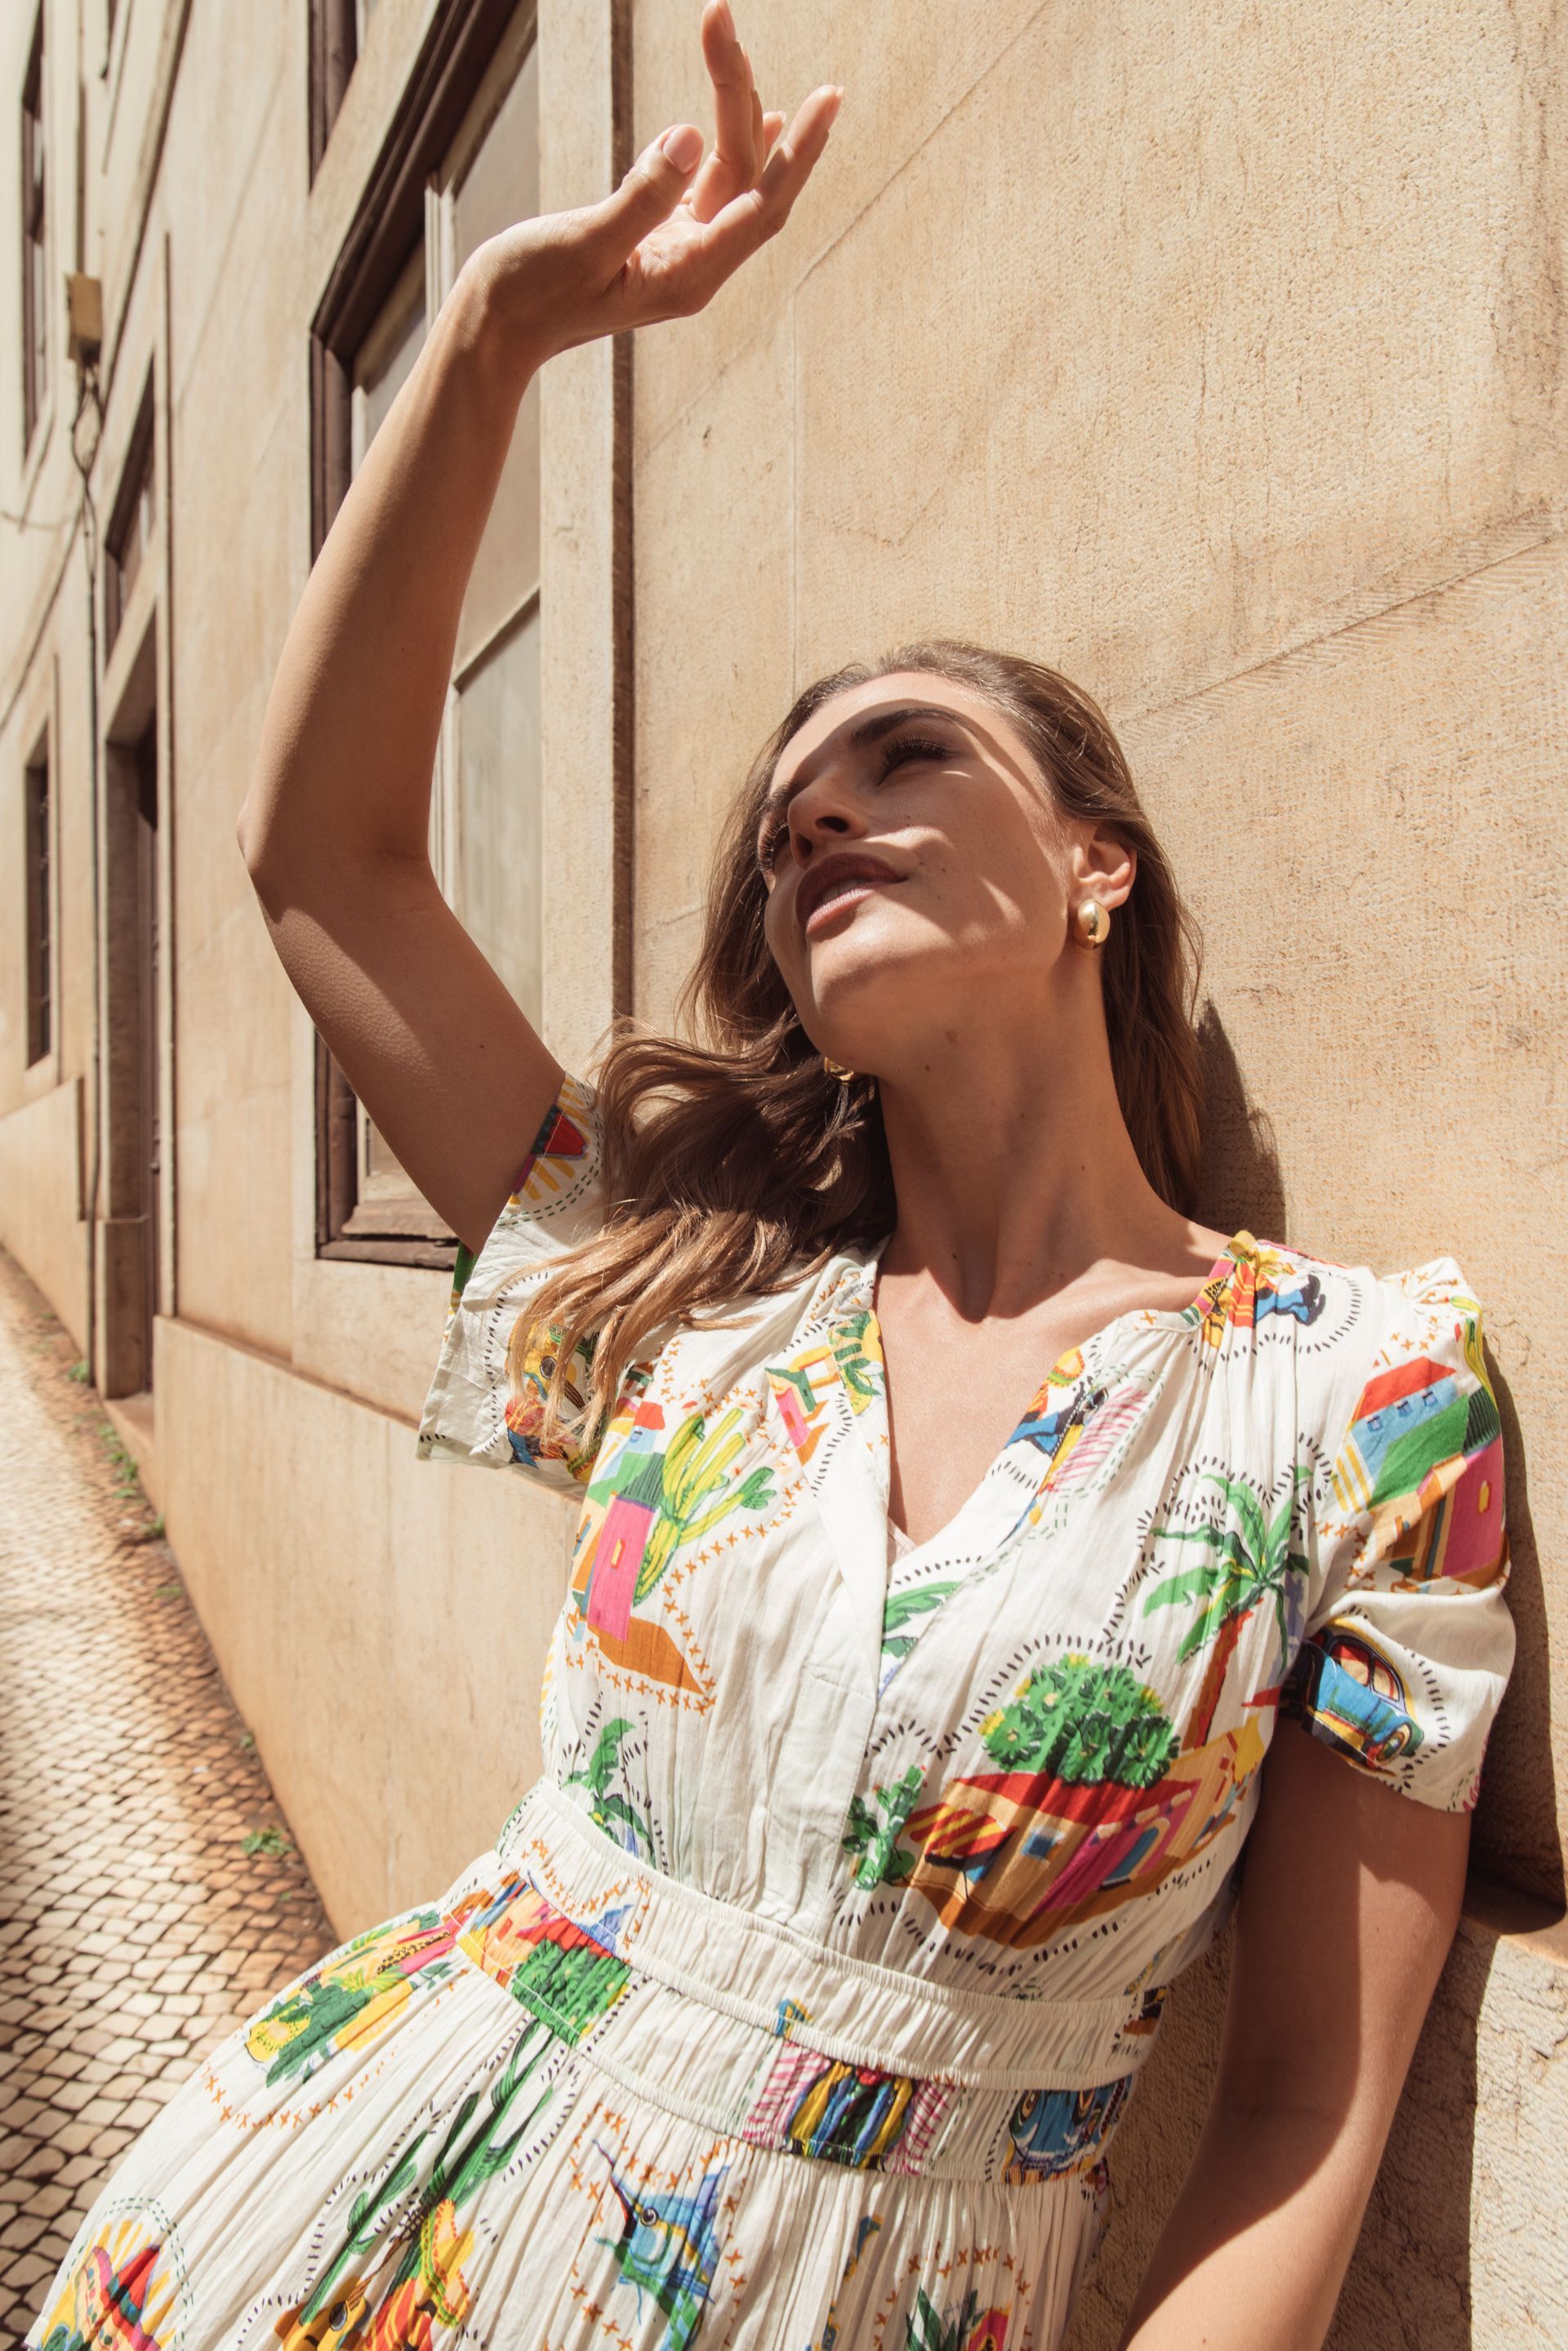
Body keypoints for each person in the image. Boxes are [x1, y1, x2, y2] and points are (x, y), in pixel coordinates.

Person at [30, 7, 1514, 2349]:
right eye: (783, 817)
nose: (818, 812)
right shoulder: (695, 1318)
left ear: (1099, 864)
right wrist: (506, 332)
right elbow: (321, 861)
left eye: (904, 758)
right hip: (354, 2223)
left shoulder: (1365, 1402)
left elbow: (1310, 2111)